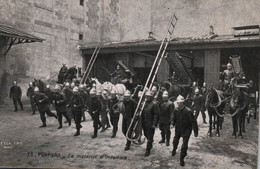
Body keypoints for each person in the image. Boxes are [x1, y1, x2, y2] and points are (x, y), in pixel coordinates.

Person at [171, 95, 198, 166]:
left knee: (184, 146)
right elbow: (174, 118)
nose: (178, 104)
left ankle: (181, 159)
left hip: (186, 130)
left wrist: (195, 131)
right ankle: (174, 149)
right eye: (178, 102)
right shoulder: (176, 110)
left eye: (180, 102)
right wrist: (172, 124)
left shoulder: (188, 111)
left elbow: (193, 121)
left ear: (183, 103)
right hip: (178, 129)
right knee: (175, 141)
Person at [142, 90, 159, 156]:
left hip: (150, 123)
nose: (147, 98)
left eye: (149, 96)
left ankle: (148, 149)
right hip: (144, 122)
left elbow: (156, 115)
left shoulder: (154, 104)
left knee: (149, 136)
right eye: (146, 96)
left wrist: (154, 124)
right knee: (146, 134)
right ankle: (150, 141)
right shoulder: (143, 103)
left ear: (151, 97)